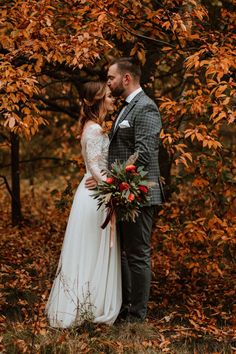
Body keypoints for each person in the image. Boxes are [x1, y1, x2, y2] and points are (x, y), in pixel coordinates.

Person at [86, 57, 163, 322]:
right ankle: (123, 308)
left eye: (111, 78)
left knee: (138, 254)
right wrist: (103, 178)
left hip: (139, 193)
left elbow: (143, 153)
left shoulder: (146, 108)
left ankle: (136, 316)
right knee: (124, 254)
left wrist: (113, 182)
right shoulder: (126, 109)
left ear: (126, 78)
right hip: (123, 192)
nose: (108, 82)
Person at [45, 82, 122, 328]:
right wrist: (115, 188)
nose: (113, 99)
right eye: (109, 96)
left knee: (90, 247)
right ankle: (86, 306)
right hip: (96, 195)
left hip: (92, 192)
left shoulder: (92, 128)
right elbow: (96, 169)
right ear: (96, 100)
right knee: (90, 248)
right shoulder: (95, 130)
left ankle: (89, 302)